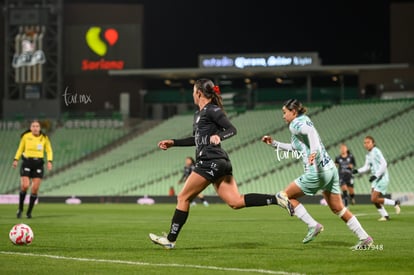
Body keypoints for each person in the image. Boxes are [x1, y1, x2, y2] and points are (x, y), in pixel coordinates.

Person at [149, 78, 293, 249]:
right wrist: (173, 142)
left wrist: (220, 136)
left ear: (199, 93)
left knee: (183, 197)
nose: (192, 95)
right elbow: (196, 139)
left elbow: (232, 129)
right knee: (236, 202)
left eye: (193, 91)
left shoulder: (212, 110)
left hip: (210, 161)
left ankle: (170, 240)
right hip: (220, 162)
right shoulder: (199, 114)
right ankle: (276, 199)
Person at [262, 99, 372, 248]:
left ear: (293, 112)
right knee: (338, 208)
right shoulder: (303, 120)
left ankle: (313, 225)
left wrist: (313, 152)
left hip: (317, 173)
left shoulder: (295, 124)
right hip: (330, 170)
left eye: (284, 112)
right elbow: (295, 148)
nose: (283, 116)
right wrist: (274, 143)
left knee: (284, 196)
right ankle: (364, 237)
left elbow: (311, 133)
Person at [353, 136, 401, 221]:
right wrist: (357, 171)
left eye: (368, 142)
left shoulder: (376, 151)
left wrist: (376, 175)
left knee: (374, 198)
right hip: (375, 179)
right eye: (365, 143)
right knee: (374, 200)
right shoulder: (368, 154)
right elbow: (366, 167)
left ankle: (395, 203)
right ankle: (385, 216)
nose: (366, 144)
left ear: (373, 143)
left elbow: (384, 164)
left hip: (382, 177)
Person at [12, 120, 53, 218]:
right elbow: (20, 148)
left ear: (40, 128)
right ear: (30, 128)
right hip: (27, 162)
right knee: (25, 186)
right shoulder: (26, 137)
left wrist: (49, 161)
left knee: (34, 189)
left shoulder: (44, 138)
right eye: (33, 126)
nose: (35, 128)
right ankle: (20, 209)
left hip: (38, 164)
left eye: (37, 126)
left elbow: (49, 150)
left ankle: (29, 212)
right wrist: (16, 159)